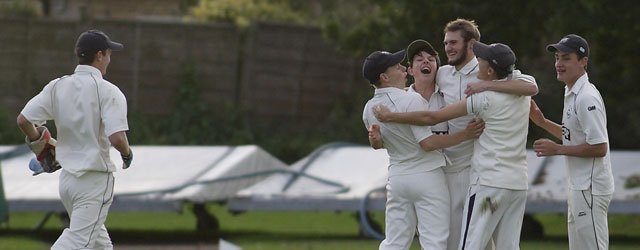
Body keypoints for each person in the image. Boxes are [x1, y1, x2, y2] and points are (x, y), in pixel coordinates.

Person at [374, 42, 534, 250]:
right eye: (418, 59)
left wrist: (392, 117)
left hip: (464, 177)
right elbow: (530, 86)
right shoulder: (401, 100)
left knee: (462, 242)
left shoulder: (462, 96)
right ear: (410, 70)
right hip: (505, 181)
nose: (426, 62)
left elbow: (433, 118)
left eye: (431, 58)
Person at [17, 29, 133, 250]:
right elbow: (117, 137)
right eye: (109, 54)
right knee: (78, 242)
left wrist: (40, 146)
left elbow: (23, 120)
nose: (109, 60)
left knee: (100, 244)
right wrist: (127, 154)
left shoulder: (57, 86)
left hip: (68, 183)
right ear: (99, 55)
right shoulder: (109, 91)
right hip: (95, 180)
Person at [362, 49, 483, 250]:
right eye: (396, 66)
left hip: (397, 180)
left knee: (394, 242)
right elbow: (427, 144)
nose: (402, 67)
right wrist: (465, 135)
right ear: (384, 77)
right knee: (434, 241)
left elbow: (380, 143)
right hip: (427, 177)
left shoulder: (368, 108)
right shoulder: (412, 100)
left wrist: (376, 142)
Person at [436, 18, 538, 250]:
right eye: (445, 43)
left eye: (453, 42)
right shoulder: (442, 73)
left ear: (470, 45)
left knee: (472, 244)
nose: (448, 48)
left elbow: (531, 87)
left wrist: (485, 86)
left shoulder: (487, 71)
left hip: (483, 175)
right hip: (459, 168)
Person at [529, 34, 614, 250]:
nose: (558, 63)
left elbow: (599, 147)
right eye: (557, 58)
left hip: (590, 188)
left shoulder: (586, 97)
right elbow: (574, 135)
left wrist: (557, 149)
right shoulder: (572, 92)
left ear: (583, 61)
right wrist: (543, 122)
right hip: (580, 187)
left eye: (566, 58)